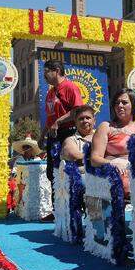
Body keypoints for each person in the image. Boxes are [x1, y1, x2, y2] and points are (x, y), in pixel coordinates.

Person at [41, 59, 84, 221]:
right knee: (53, 173)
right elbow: (50, 118)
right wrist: (42, 135)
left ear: (57, 70)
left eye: (47, 71)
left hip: (68, 134)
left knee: (68, 171)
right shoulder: (50, 93)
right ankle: (57, 209)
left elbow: (77, 110)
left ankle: (74, 208)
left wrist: (59, 122)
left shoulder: (70, 87)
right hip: (53, 138)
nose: (44, 75)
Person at [91, 89, 135, 199]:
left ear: (134, 105)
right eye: (116, 103)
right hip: (116, 177)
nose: (120, 106)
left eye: (124, 102)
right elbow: (95, 159)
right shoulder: (106, 127)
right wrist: (113, 162)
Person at [9, 135, 43, 213]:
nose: (25, 149)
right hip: (21, 183)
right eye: (24, 147)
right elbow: (14, 172)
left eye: (27, 147)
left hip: (35, 183)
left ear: (31, 149)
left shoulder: (37, 159)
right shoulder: (19, 159)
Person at [62, 105, 96, 173]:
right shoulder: (70, 140)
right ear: (75, 122)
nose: (85, 121)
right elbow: (75, 156)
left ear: (94, 121)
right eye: (81, 119)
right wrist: (99, 159)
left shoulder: (103, 136)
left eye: (88, 118)